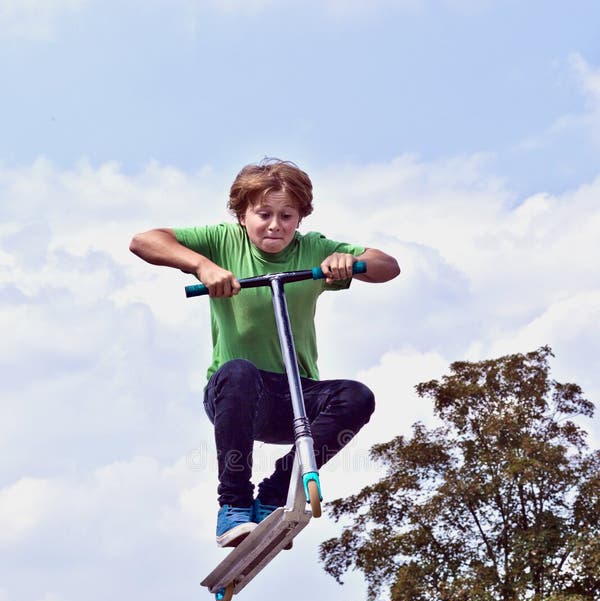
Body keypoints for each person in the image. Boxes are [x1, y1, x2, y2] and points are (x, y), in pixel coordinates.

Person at [130, 158, 400, 548]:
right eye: (264, 214)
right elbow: (143, 241)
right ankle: (234, 506)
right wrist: (203, 267)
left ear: (300, 219)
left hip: (294, 399)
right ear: (242, 215)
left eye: (287, 216)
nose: (275, 225)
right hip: (236, 395)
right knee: (240, 371)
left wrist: (349, 264)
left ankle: (276, 493)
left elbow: (388, 266)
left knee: (357, 396)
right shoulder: (224, 242)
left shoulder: (313, 249)